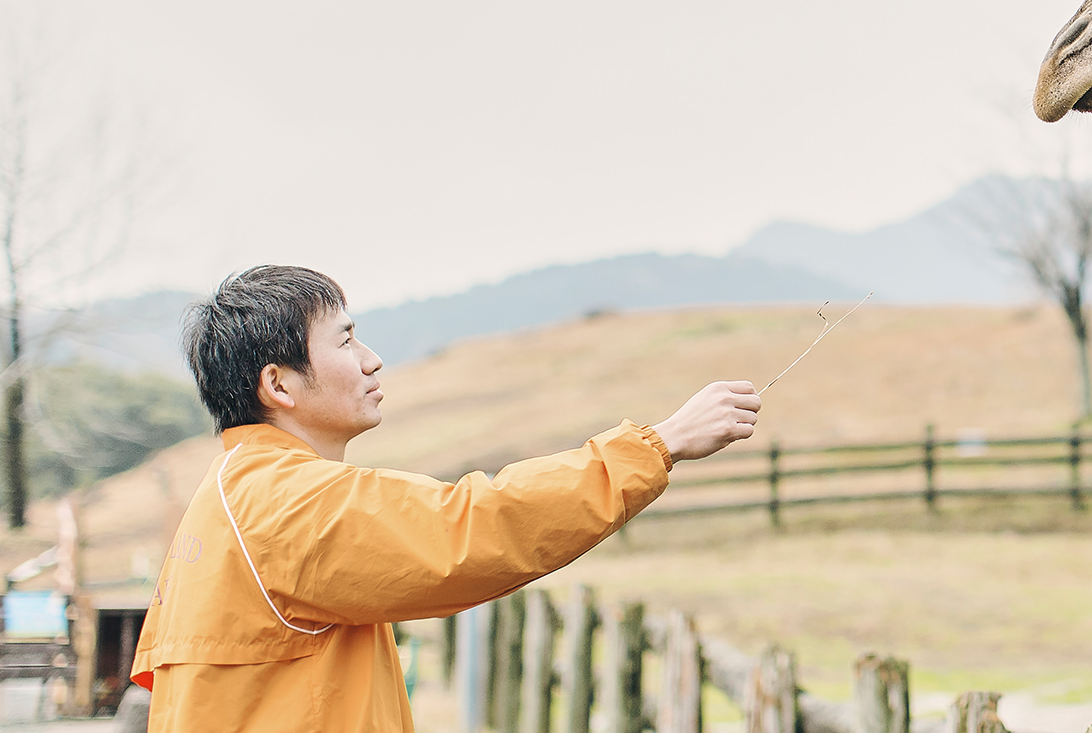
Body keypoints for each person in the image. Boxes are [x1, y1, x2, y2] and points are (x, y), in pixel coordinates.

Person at [131, 265, 762, 730]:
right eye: (346, 341)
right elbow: (473, 529)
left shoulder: (234, 494)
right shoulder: (284, 502)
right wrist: (658, 445)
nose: (372, 360)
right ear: (279, 384)